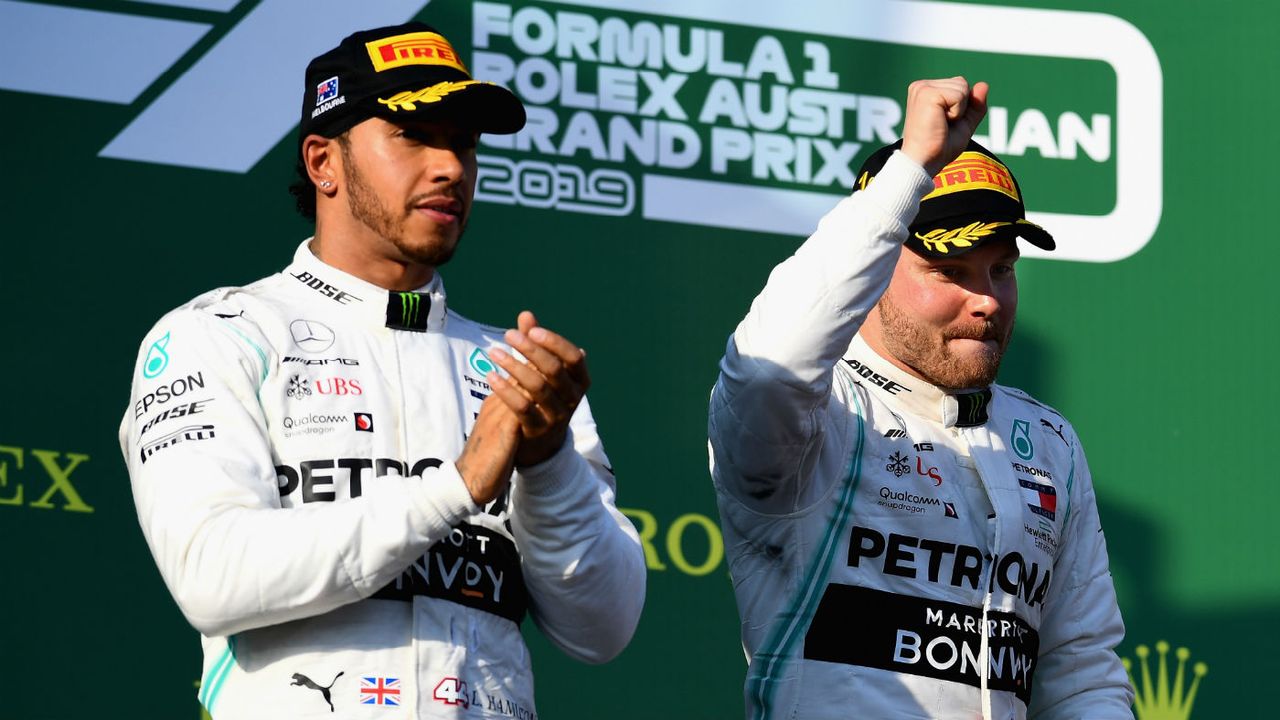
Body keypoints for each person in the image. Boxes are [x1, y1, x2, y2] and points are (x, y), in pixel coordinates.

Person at [119, 21, 645, 719]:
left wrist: (548, 460)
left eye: (462, 142)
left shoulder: (521, 377)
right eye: (413, 134)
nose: (451, 167)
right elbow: (213, 577)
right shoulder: (217, 337)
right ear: (322, 162)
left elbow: (602, 629)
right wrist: (455, 488)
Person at [708, 77, 1133, 719]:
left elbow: (1081, 676)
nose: (986, 298)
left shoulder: (1049, 442)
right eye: (949, 270)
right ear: (875, 271)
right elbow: (768, 370)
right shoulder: (820, 417)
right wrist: (909, 171)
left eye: (1001, 269)